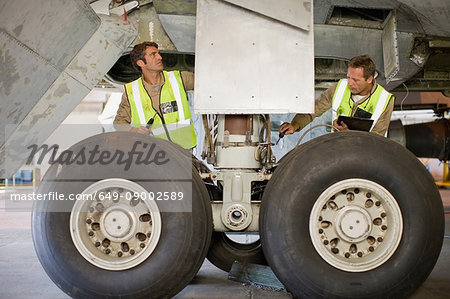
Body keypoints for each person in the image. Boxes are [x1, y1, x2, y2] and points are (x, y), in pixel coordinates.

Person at [279, 55, 395, 137]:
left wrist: (349, 134)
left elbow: (377, 137)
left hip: (364, 157)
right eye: (349, 77)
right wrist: (295, 124)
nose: (350, 83)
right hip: (337, 148)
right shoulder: (340, 87)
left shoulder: (384, 100)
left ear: (369, 79)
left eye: (355, 80)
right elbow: (315, 108)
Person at [114, 41, 196, 149]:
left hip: (184, 150)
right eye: (153, 55)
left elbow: (208, 85)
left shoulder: (179, 79)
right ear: (141, 63)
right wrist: (134, 130)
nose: (159, 57)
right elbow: (119, 123)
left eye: (158, 53)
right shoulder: (131, 92)